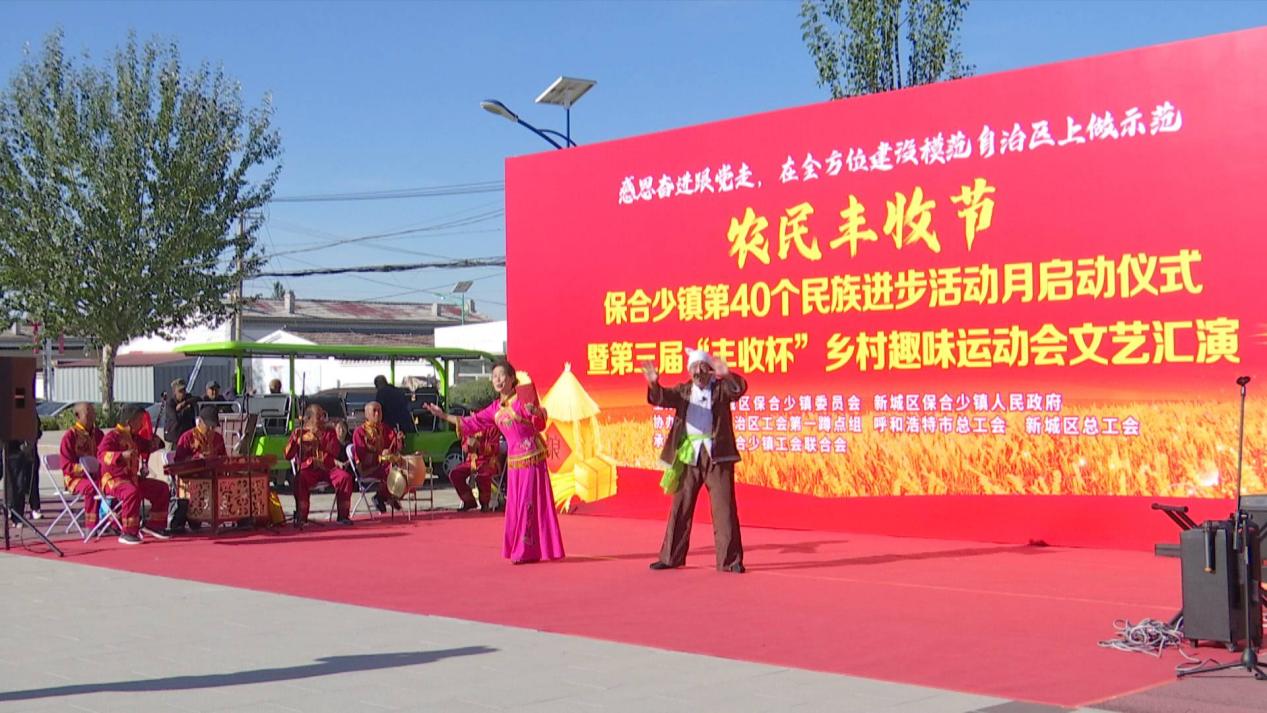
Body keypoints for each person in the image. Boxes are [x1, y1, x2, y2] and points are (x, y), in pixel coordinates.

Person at [426, 359, 564, 564]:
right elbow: (470, 422)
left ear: (511, 379)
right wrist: (443, 415)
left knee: (527, 503)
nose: (498, 380)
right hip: (514, 462)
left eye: (502, 376)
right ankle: (523, 548)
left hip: (532, 458)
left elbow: (540, 424)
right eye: (494, 377)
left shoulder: (523, 398)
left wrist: (535, 412)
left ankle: (525, 551)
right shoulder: (494, 408)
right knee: (515, 506)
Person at [642, 349, 747, 574]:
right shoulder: (683, 391)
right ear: (689, 372)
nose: (698, 372)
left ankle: (730, 561)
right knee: (680, 506)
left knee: (724, 509)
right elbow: (660, 397)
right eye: (694, 368)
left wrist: (727, 374)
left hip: (717, 456)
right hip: (689, 455)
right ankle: (671, 557)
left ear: (710, 370)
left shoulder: (720, 389)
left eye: (702, 367)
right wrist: (653, 383)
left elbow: (738, 389)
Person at [98, 404, 171, 545]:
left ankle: (155, 525)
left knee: (161, 488)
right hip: (113, 480)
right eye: (139, 420)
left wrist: (155, 443)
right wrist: (121, 455)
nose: (141, 424)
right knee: (131, 492)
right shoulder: (112, 437)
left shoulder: (134, 438)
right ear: (129, 421)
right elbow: (101, 455)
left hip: (132, 479)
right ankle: (128, 531)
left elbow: (148, 446)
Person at [283, 404, 354, 527]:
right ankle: (302, 517)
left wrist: (321, 440)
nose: (322, 419)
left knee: (345, 477)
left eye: (323, 416)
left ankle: (343, 516)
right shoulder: (299, 433)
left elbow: (335, 452)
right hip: (308, 471)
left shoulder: (329, 432)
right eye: (319, 417)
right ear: (309, 419)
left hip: (327, 470)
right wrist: (295, 440)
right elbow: (288, 455)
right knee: (299, 479)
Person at [59, 402, 105, 532]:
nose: (92, 417)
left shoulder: (98, 434)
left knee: (115, 484)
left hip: (97, 477)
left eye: (93, 413)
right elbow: (66, 465)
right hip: (75, 478)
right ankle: (91, 525)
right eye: (88, 414)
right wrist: (85, 468)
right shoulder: (70, 436)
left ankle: (112, 521)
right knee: (92, 487)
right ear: (78, 416)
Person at [352, 402, 403, 513]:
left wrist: (398, 440)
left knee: (404, 468)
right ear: (367, 414)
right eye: (374, 411)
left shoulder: (385, 428)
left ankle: (385, 496)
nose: (377, 414)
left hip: (384, 465)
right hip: (369, 468)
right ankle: (383, 496)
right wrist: (380, 456)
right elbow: (362, 456)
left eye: (379, 411)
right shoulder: (360, 432)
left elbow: (394, 447)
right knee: (392, 471)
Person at [448, 424, 502, 513]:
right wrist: (468, 444)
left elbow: (494, 449)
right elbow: (464, 447)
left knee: (482, 475)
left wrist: (479, 445)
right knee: (454, 474)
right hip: (471, 461)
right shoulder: (470, 426)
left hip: (489, 461)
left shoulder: (492, 427)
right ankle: (469, 501)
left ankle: (485, 503)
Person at [3, 423, 42, 525]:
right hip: (11, 449)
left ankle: (27, 511)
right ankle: (13, 512)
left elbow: (36, 426)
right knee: (14, 484)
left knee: (28, 481)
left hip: (26, 449)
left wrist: (32, 438)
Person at [163, 379, 197, 447]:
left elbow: (198, 398)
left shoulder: (188, 399)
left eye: (184, 390)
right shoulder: (170, 402)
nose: (183, 393)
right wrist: (184, 409)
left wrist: (184, 403)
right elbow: (175, 418)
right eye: (180, 391)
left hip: (186, 436)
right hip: (174, 437)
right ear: (174, 392)